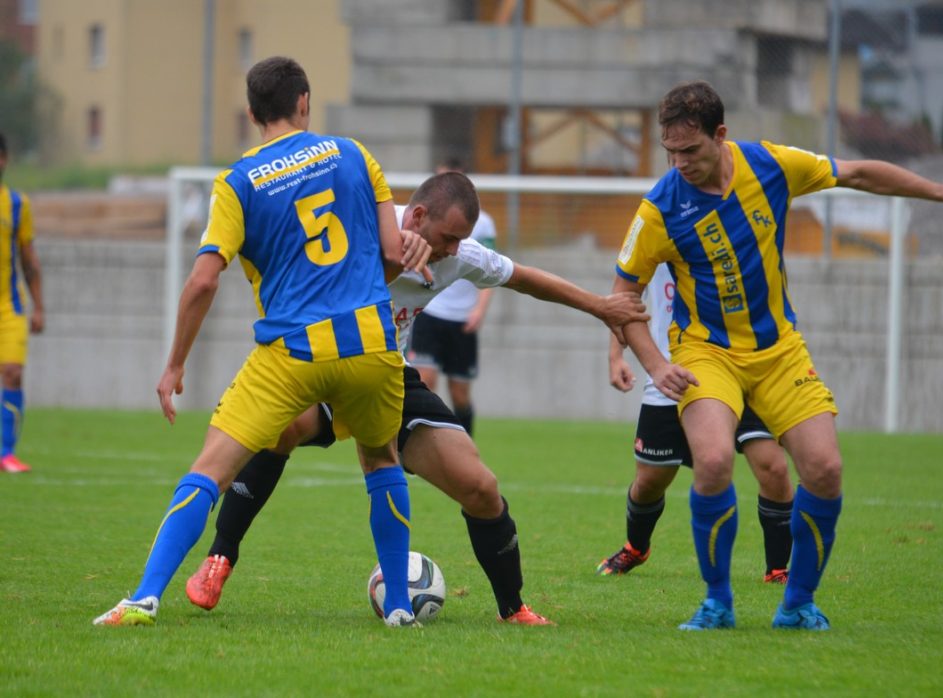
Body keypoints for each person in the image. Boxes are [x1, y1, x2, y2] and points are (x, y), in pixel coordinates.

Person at [183, 170, 647, 625]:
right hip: (325, 360)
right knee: (281, 430)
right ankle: (220, 557)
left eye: (459, 241)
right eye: (447, 237)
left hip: (387, 376)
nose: (452, 249)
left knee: (481, 488)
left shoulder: (458, 255)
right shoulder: (361, 224)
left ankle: (514, 608)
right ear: (418, 214)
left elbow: (523, 278)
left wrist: (600, 306)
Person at [612, 80, 943, 631]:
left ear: (721, 136)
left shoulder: (770, 164)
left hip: (778, 350)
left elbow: (857, 173)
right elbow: (622, 297)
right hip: (706, 353)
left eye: (690, 151)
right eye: (669, 152)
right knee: (715, 462)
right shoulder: (660, 209)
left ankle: (797, 604)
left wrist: (937, 192)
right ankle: (717, 602)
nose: (679, 163)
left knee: (825, 469)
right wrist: (654, 363)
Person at [93, 56, 432, 628]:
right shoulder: (354, 154)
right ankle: (399, 606)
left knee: (212, 467)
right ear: (304, 102)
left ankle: (145, 597)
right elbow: (396, 253)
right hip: (373, 344)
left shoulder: (237, 182)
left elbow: (204, 278)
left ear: (252, 113)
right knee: (381, 461)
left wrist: (175, 363)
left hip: (292, 354)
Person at [598, 263, 793, 582]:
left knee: (773, 466)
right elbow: (625, 296)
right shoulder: (656, 222)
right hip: (672, 373)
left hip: (741, 368)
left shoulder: (736, 227)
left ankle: (777, 570)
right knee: (650, 480)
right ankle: (636, 546)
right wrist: (615, 355)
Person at [408, 157, 497, 436]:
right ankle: (422, 443)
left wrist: (479, 311)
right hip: (429, 312)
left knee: (460, 394)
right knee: (425, 381)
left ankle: (464, 442)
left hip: (462, 318)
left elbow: (494, 270)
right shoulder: (416, 224)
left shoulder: (482, 224)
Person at [0, 133, 44, 474]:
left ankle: (6, 453)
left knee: (12, 373)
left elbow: (29, 260)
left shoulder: (17, 204)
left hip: (9, 306)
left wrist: (39, 307)